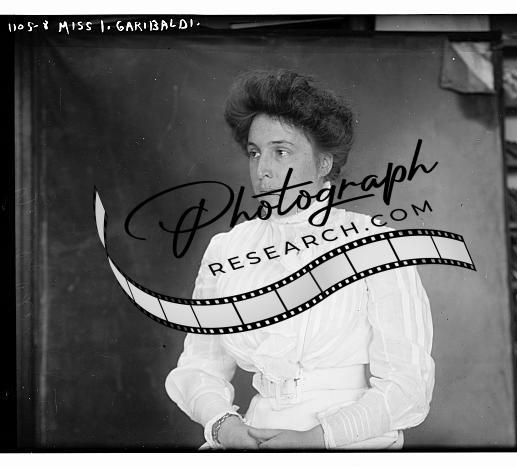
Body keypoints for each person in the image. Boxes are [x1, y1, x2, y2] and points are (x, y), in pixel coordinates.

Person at [165, 69, 435, 450]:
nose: (263, 170)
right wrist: (224, 425)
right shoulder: (226, 250)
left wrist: (317, 439)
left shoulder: (375, 243)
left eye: (281, 152)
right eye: (255, 153)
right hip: (253, 437)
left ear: (323, 163)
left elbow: (407, 387)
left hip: (349, 439)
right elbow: (199, 366)